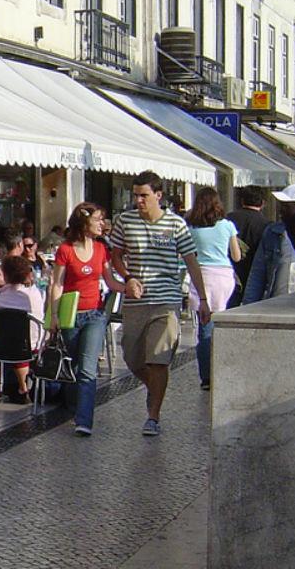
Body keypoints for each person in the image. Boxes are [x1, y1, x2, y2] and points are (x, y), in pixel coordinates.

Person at [109, 171, 210, 438]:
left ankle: (153, 415)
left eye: (144, 196)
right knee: (132, 357)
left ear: (158, 195)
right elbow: (115, 257)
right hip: (136, 300)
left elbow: (191, 262)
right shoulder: (124, 221)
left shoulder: (176, 224)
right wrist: (128, 277)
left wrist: (203, 300)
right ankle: (155, 389)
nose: (139, 201)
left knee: (159, 360)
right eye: (135, 196)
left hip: (166, 301)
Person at [48, 203, 124, 436]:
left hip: (95, 314)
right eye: (99, 219)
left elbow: (110, 282)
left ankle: (84, 420)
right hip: (71, 316)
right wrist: (53, 315)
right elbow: (57, 283)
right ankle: (72, 405)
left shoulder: (102, 249)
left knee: (87, 369)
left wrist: (128, 287)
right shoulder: (66, 250)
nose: (103, 224)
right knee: (76, 363)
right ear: (84, 223)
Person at [184, 188, 242, 391]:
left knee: (204, 328)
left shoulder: (190, 227)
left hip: (200, 276)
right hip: (223, 277)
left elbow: (185, 255)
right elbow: (236, 256)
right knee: (222, 324)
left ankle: (206, 377)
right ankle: (223, 370)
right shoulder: (227, 226)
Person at [0, 256, 44, 404]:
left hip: (6, 346)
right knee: (17, 342)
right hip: (34, 343)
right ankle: (23, 387)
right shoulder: (36, 294)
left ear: (5, 275)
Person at [225, 185, 270, 308]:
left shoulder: (227, 220)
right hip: (254, 275)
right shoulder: (266, 225)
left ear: (242, 201)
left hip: (229, 273)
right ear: (263, 203)